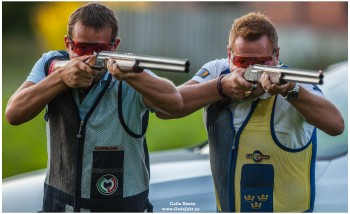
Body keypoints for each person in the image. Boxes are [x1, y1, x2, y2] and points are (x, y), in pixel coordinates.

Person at [157, 12, 344, 212]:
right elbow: (165, 108)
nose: (252, 70)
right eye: (243, 62)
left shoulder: (292, 82)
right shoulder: (217, 72)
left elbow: (336, 125)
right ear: (229, 55)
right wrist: (220, 87)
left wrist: (290, 91)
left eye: (261, 62)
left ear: (276, 57)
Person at [5, 3, 183, 212]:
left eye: (100, 50)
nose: (90, 58)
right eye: (82, 48)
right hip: (59, 205)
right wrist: (60, 79)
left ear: (114, 45)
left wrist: (135, 76)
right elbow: (13, 113)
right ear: (68, 44)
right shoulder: (50, 64)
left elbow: (175, 103)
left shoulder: (129, 74)